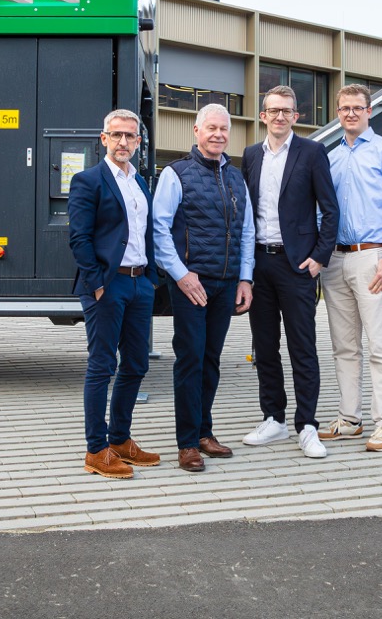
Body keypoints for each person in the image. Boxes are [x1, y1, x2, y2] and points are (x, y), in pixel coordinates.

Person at [153, 103, 255, 473]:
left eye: (224, 129)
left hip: (225, 283)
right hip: (190, 285)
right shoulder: (176, 173)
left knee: (211, 360)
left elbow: (247, 231)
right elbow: (159, 229)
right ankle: (186, 443)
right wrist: (181, 275)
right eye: (211, 128)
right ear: (196, 131)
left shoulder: (236, 177)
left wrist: (245, 278)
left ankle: (204, 433)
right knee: (190, 359)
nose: (218, 134)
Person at [240, 85, 339, 459]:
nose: (279, 116)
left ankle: (307, 425)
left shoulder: (312, 152)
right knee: (264, 346)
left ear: (296, 116)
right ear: (263, 115)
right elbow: (246, 212)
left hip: (297, 265)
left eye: (286, 111)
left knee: (302, 347)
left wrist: (319, 257)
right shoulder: (251, 155)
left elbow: (330, 210)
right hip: (260, 264)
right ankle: (274, 418)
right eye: (273, 110)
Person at [67, 109, 161, 479]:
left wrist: (150, 279)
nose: (123, 142)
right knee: (102, 365)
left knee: (136, 364)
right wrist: (97, 283)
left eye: (130, 136)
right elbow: (79, 237)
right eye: (117, 135)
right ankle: (96, 449)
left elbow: (147, 233)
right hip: (108, 284)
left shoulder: (140, 183)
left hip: (139, 283)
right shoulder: (88, 181)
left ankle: (120, 440)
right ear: (104, 138)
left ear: (138, 141)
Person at [319, 84, 382, 453]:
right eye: (345, 108)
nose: (351, 113)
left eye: (358, 107)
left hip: (372, 257)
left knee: (379, 346)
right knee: (344, 346)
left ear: (369, 111)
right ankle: (350, 419)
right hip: (334, 260)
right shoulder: (330, 157)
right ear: (338, 113)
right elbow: (322, 209)